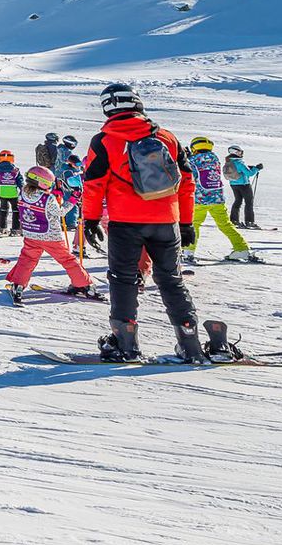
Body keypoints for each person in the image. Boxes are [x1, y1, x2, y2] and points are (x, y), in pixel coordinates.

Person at [81, 83, 209, 363]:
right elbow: (187, 182)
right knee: (171, 280)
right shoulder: (166, 137)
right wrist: (186, 222)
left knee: (122, 280)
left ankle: (126, 344)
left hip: (125, 222)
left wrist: (89, 219)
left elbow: (93, 184)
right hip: (166, 221)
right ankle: (190, 344)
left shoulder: (103, 140)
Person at [2, 166, 98, 303]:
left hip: (31, 233)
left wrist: (55, 192)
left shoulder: (22, 192)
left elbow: (37, 199)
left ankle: (18, 285)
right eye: (49, 183)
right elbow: (60, 212)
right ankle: (84, 285)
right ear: (42, 183)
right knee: (67, 260)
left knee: (27, 259)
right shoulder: (48, 198)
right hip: (50, 237)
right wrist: (73, 199)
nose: (51, 185)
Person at [185, 137, 258, 263]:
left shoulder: (192, 161)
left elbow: (189, 176)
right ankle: (242, 249)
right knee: (225, 225)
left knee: (194, 225)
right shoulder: (215, 159)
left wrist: (186, 159)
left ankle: (188, 252)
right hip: (217, 198)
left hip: (200, 200)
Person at [224, 147, 262, 229]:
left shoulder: (229, 162)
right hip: (244, 185)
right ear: (237, 152)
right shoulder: (239, 163)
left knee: (237, 201)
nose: (242, 154)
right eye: (240, 152)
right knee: (249, 203)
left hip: (233, 184)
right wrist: (257, 168)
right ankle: (249, 222)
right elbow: (249, 174)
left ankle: (234, 220)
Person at [0, 151, 23, 236]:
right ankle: (15, 229)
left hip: (2, 193)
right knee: (16, 211)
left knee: (3, 210)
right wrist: (22, 190)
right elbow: (20, 181)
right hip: (13, 193)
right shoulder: (15, 169)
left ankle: (2, 228)